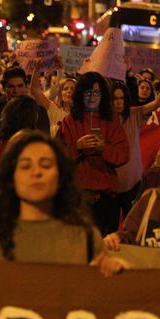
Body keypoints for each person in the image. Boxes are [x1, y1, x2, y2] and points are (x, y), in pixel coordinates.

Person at [0, 131, 126, 276]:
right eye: (25, 166)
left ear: (60, 176)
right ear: (11, 177)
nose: (36, 172)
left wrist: (114, 274)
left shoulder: (84, 235)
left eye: (46, 165)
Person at [56, 72, 129, 235]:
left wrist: (104, 148)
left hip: (105, 197)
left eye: (96, 92)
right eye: (87, 92)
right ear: (80, 95)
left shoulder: (111, 121)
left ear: (102, 95)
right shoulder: (69, 122)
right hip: (78, 197)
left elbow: (123, 155)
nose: (92, 97)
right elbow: (57, 156)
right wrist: (77, 147)